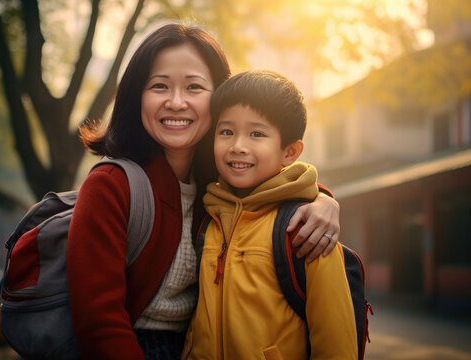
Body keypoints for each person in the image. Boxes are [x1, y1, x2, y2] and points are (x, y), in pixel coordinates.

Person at [67, 24, 341, 360]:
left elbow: (272, 186)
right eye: (159, 86)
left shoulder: (219, 184)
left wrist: (321, 200)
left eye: (194, 87)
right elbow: (98, 324)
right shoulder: (110, 186)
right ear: (138, 96)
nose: (177, 102)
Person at [182, 70, 357, 360]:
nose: (238, 145)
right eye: (226, 131)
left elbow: (336, 346)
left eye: (257, 134)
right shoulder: (207, 218)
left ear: (290, 152)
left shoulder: (308, 230)